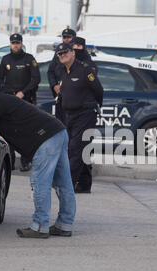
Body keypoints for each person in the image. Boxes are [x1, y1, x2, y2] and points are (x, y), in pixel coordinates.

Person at [0, 80, 76, 239]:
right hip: (58, 131)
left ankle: (40, 226)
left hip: (45, 138)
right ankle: (65, 224)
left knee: (40, 182)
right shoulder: (4, 99)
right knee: (63, 183)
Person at [57, 42, 103, 194]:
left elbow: (98, 90)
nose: (62, 55)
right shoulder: (64, 72)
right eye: (60, 54)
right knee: (79, 149)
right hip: (70, 115)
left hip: (85, 114)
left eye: (65, 52)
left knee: (75, 149)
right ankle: (84, 184)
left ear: (73, 53)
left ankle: (67, 185)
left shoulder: (84, 70)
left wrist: (92, 106)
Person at [0, 33, 41, 172]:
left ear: (22, 44)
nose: (15, 45)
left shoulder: (29, 59)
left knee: (26, 131)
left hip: (25, 100)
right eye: (13, 43)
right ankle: (10, 161)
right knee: (10, 131)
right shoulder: (5, 60)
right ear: (10, 44)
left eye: (18, 43)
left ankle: (26, 161)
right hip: (10, 101)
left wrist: (23, 92)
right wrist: (8, 93)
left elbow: (36, 79)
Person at [48, 27, 77, 99]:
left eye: (69, 37)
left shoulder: (78, 50)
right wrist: (54, 85)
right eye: (64, 37)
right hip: (60, 91)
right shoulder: (59, 49)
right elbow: (51, 71)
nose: (66, 39)